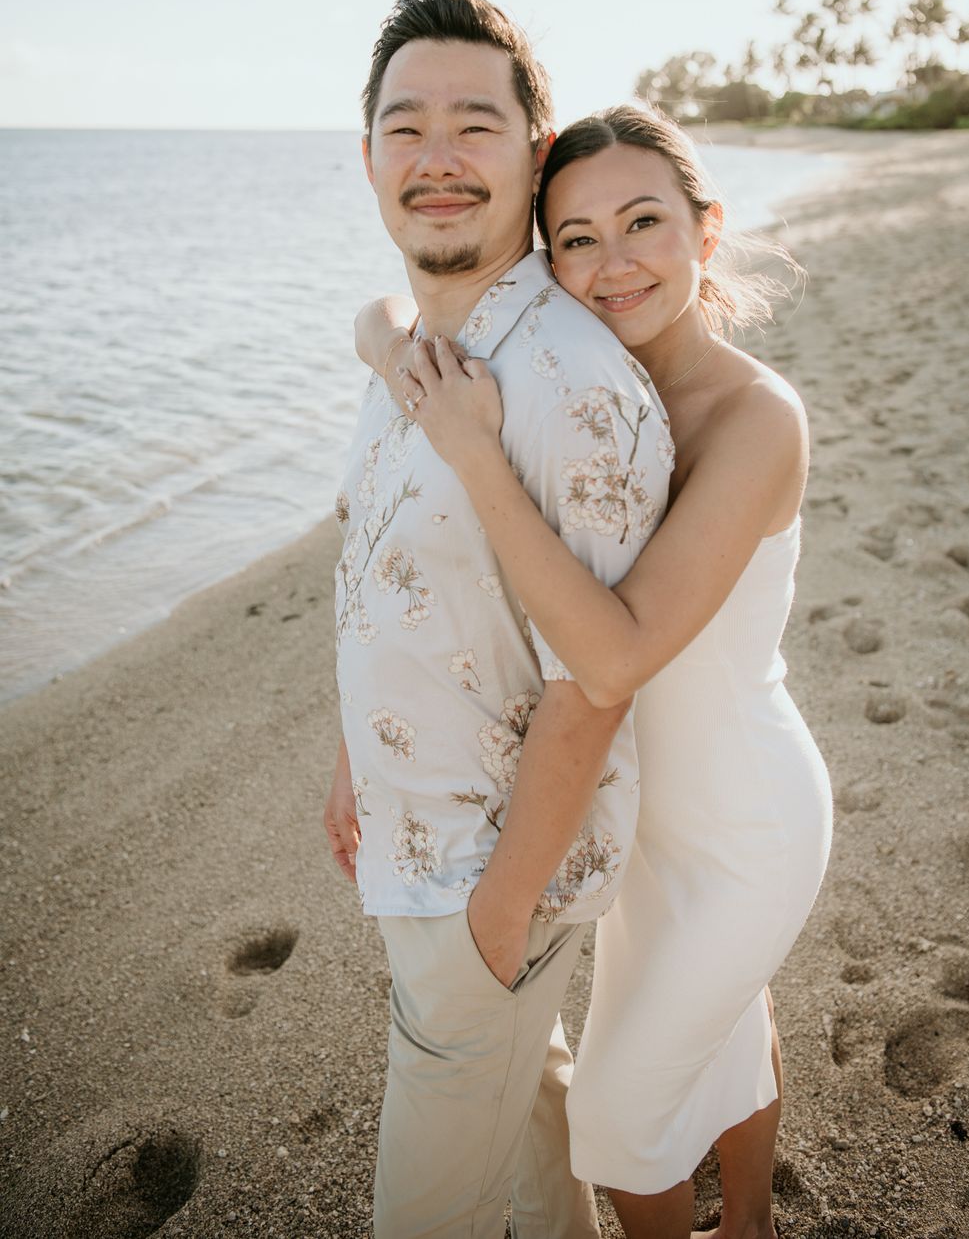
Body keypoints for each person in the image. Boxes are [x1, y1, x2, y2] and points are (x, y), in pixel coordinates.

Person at [361, 105, 834, 1239]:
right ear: (543, 254)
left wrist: (470, 451)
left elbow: (613, 652)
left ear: (704, 230)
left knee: (618, 1120)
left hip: (746, 827)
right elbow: (386, 305)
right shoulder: (584, 388)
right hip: (641, 821)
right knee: (718, 1028)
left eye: (642, 223)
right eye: (575, 239)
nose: (612, 264)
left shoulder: (756, 417)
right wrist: (385, 345)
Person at [324, 0, 673, 1238]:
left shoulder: (567, 386)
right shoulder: (419, 347)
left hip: (488, 873)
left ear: (537, 147)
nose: (435, 157)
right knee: (531, 1122)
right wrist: (351, 759)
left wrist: (498, 914)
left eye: (475, 123)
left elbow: (596, 682)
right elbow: (385, 567)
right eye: (403, 124)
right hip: (416, 844)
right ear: (366, 156)